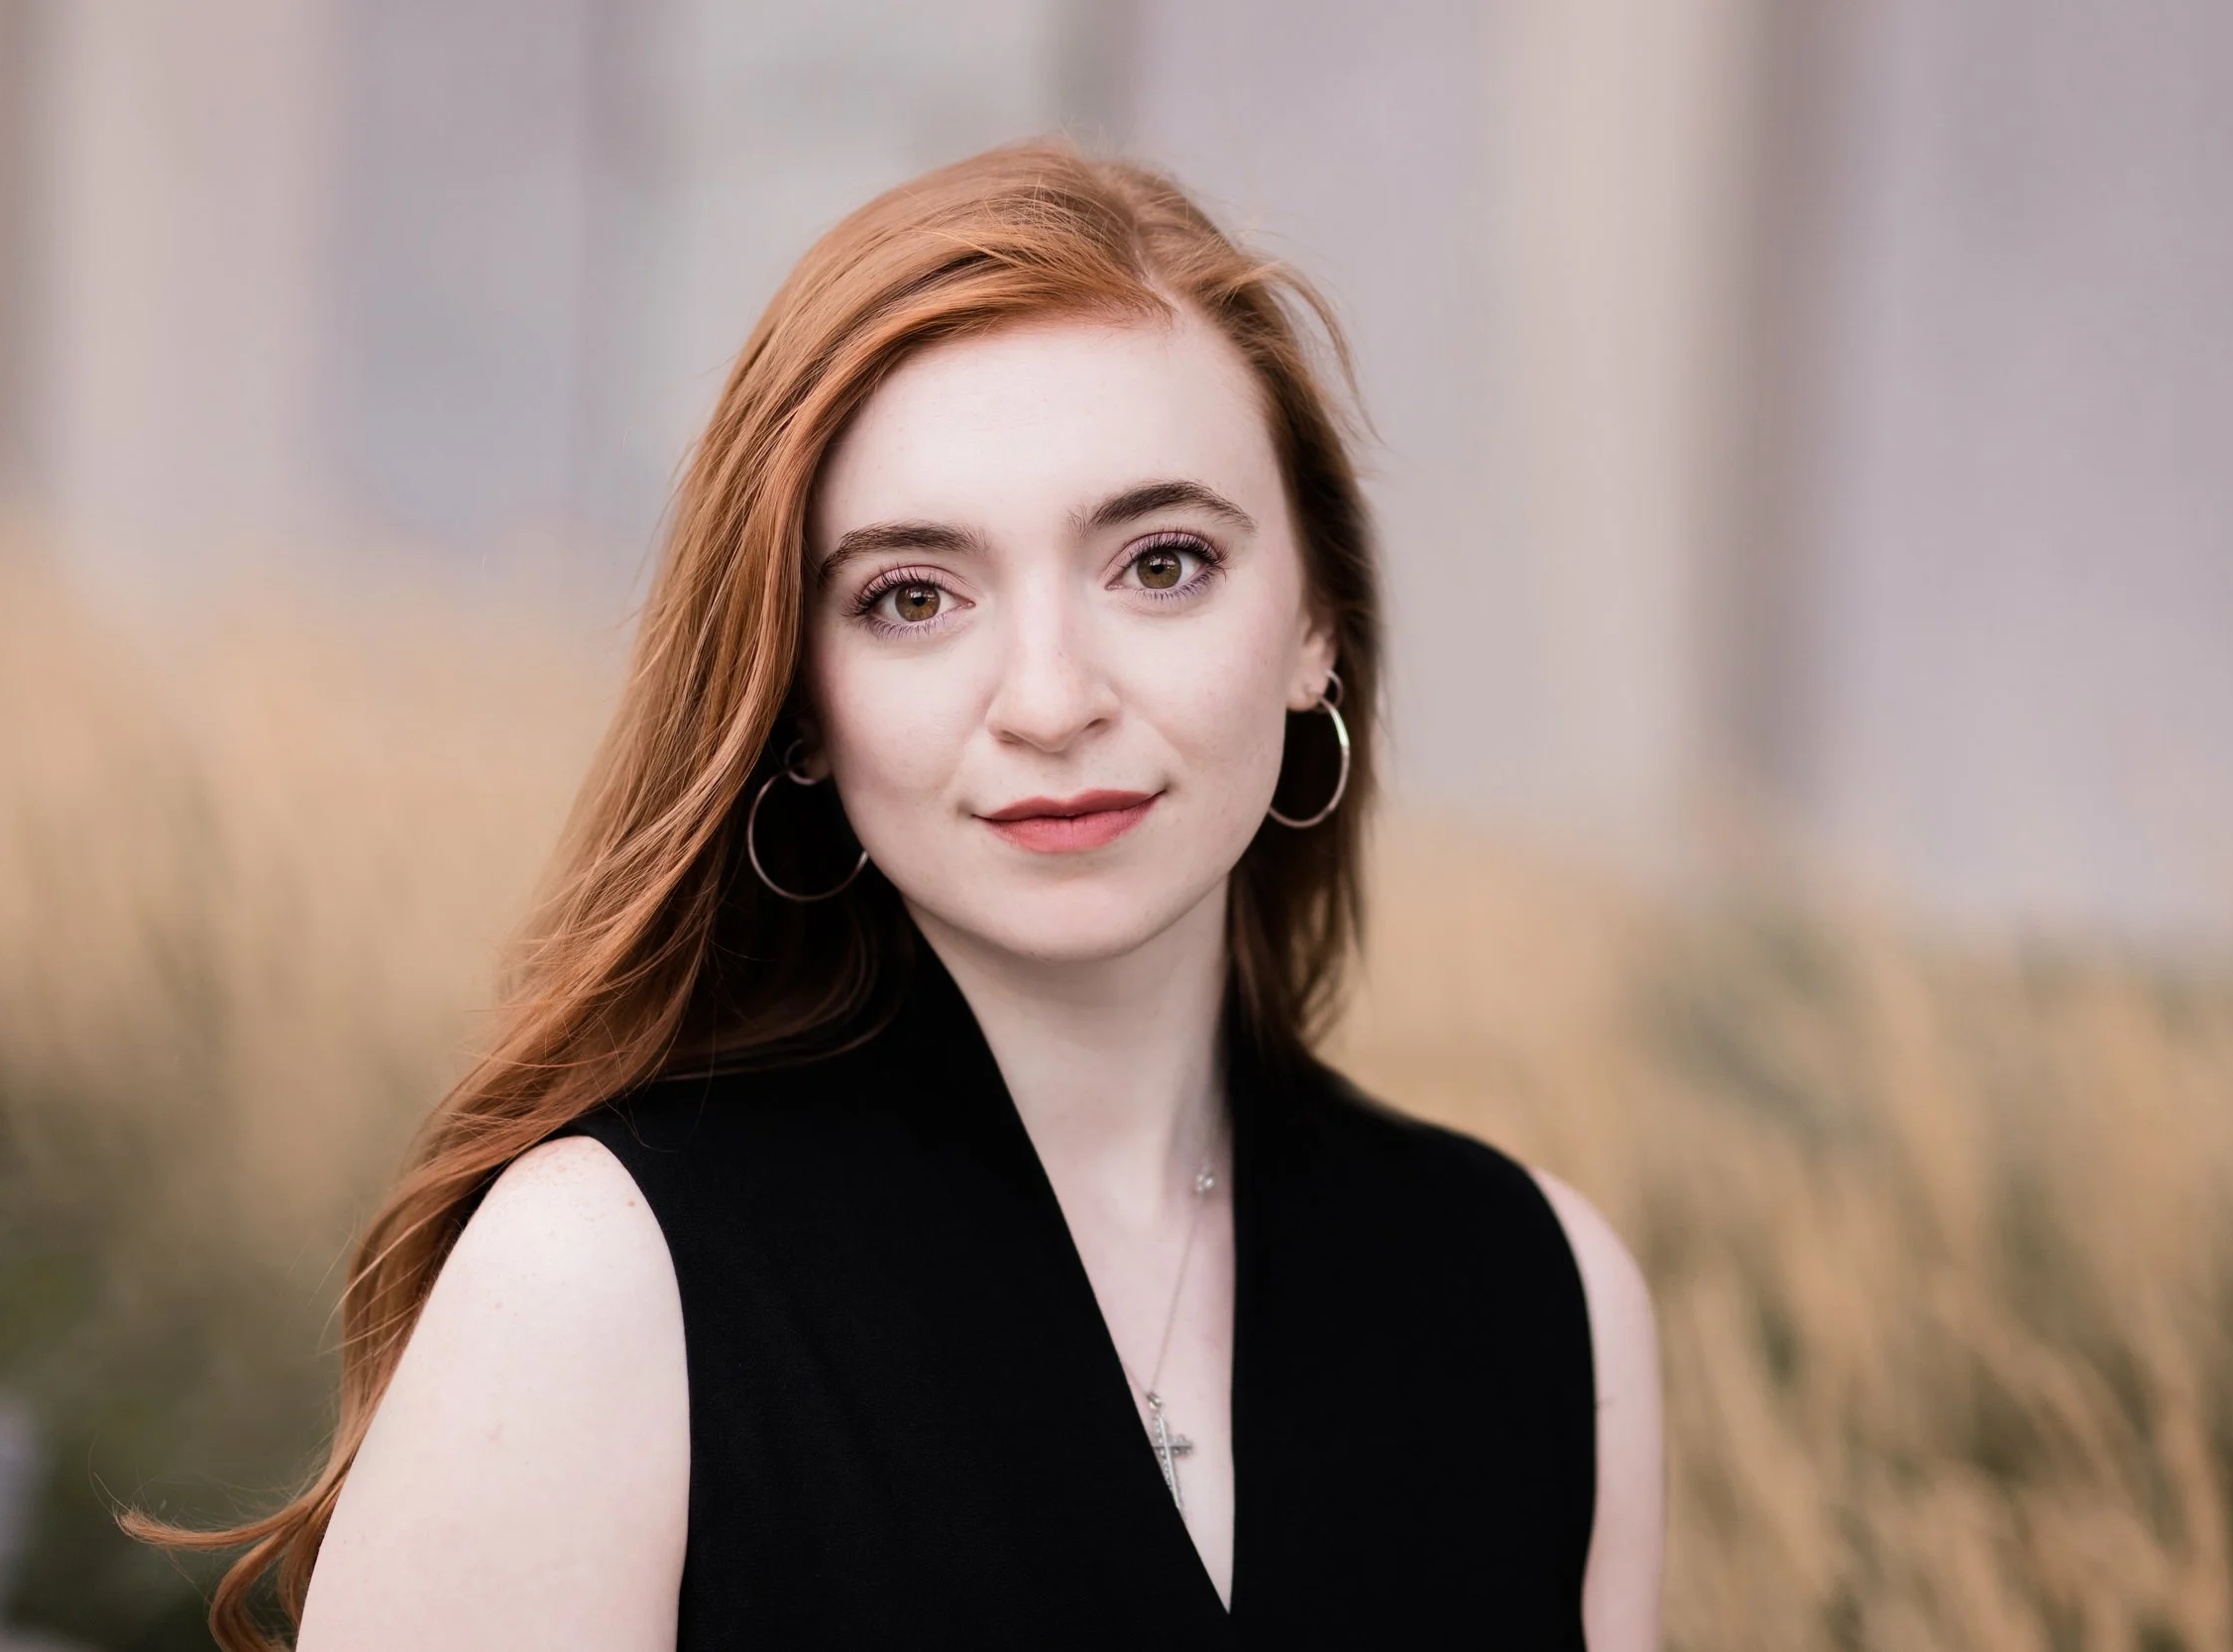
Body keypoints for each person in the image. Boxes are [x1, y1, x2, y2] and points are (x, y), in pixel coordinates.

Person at [138, 142, 1664, 1650]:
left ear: (1315, 620)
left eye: (1163, 561)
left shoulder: (1543, 1296)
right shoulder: (600, 1285)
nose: (1053, 698)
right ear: (799, 698)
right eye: (913, 596)